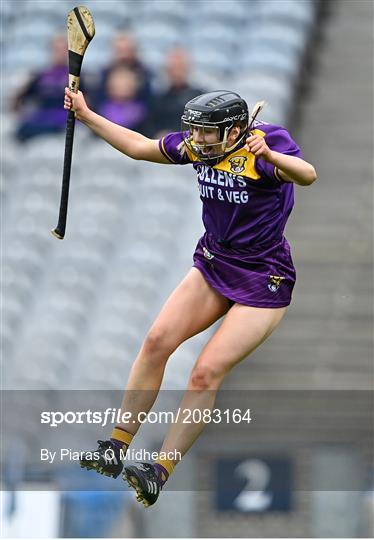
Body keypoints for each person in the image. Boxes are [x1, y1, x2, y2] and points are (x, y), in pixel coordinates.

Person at [63, 86, 317, 507]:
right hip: (215, 262)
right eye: (194, 132)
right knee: (156, 342)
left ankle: (159, 470)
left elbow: (308, 175)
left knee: (204, 373)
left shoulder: (266, 144)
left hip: (263, 279)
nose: (196, 141)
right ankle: (116, 445)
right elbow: (142, 148)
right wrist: (88, 115)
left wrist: (270, 157)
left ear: (235, 130)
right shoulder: (202, 147)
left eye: (205, 133)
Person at [13, 36, 74, 142]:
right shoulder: (41, 75)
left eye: (63, 50)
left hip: (63, 119)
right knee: (21, 129)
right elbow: (19, 99)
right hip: (43, 117)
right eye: (56, 50)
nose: (60, 53)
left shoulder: (74, 76)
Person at [146, 47, 204, 136]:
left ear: (187, 68)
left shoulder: (199, 97)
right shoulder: (158, 99)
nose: (177, 72)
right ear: (167, 70)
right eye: (173, 67)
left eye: (180, 67)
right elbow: (150, 127)